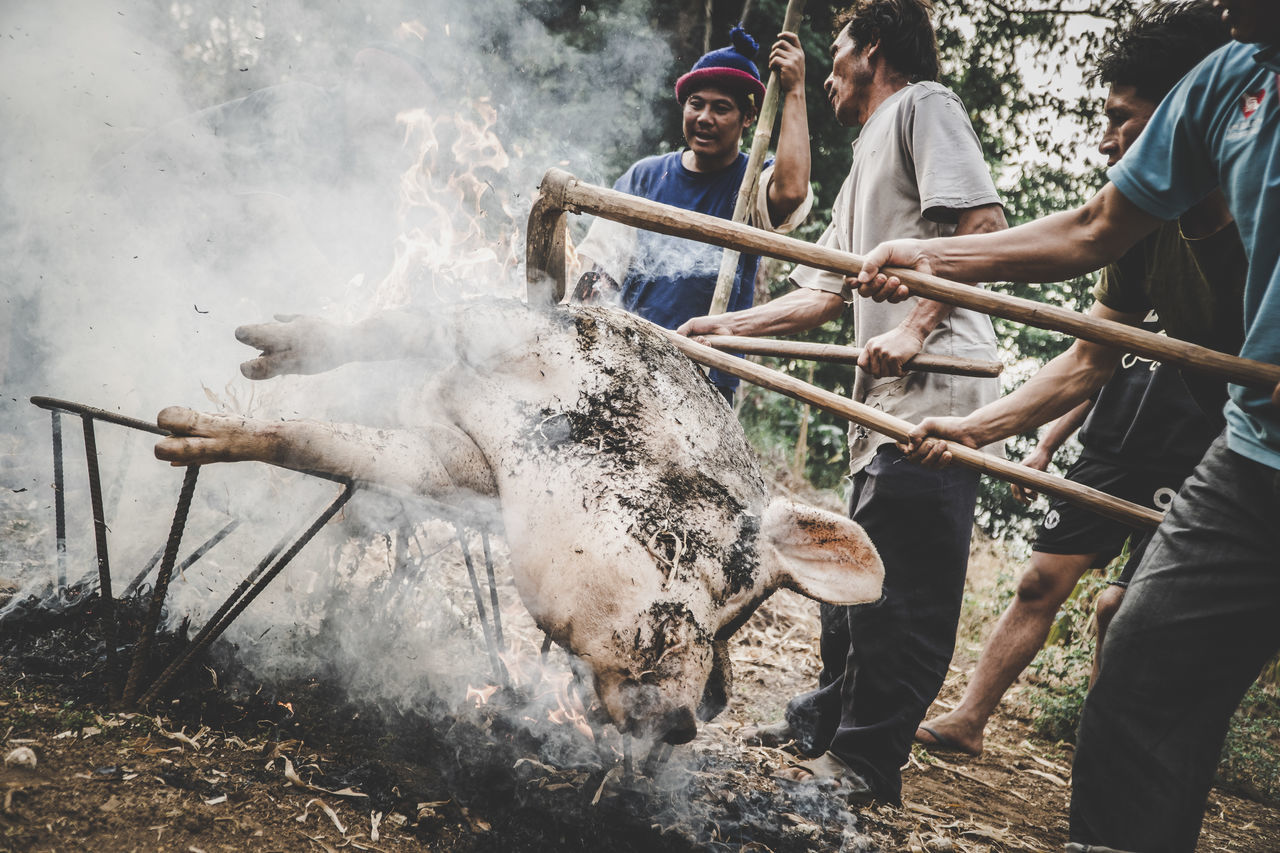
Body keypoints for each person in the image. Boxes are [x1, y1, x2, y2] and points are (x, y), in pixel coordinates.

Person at [855, 0, 1280, 846]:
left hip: (1218, 428)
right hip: (1255, 450)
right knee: (1139, 659)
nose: (1105, 142)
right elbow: (1089, 247)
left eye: (1121, 121)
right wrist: (933, 258)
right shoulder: (1234, 80)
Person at [679, 0, 1007, 804]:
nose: (827, 75)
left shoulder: (924, 105)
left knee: (904, 598)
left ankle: (864, 763)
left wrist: (919, 325)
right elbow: (823, 291)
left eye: (837, 57)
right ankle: (825, 721)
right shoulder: (869, 154)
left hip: (941, 398)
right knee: (854, 585)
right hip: (885, 414)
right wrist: (728, 326)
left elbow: (981, 222)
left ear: (875, 53)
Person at [912, 0, 1243, 759]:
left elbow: (1085, 226)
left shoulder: (1263, 198)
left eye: (1124, 118)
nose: (1107, 138)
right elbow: (1090, 354)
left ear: (1188, 115)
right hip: (1223, 447)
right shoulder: (1147, 223)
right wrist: (978, 429)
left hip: (1243, 464)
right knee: (1088, 604)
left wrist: (933, 260)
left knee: (1135, 623)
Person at [573, 25, 813, 402]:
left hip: (707, 378)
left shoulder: (753, 182)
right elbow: (598, 274)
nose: (704, 117)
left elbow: (792, 192)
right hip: (627, 364)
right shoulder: (645, 176)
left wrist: (795, 90)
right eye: (696, 103)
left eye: (722, 108)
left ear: (748, 117)